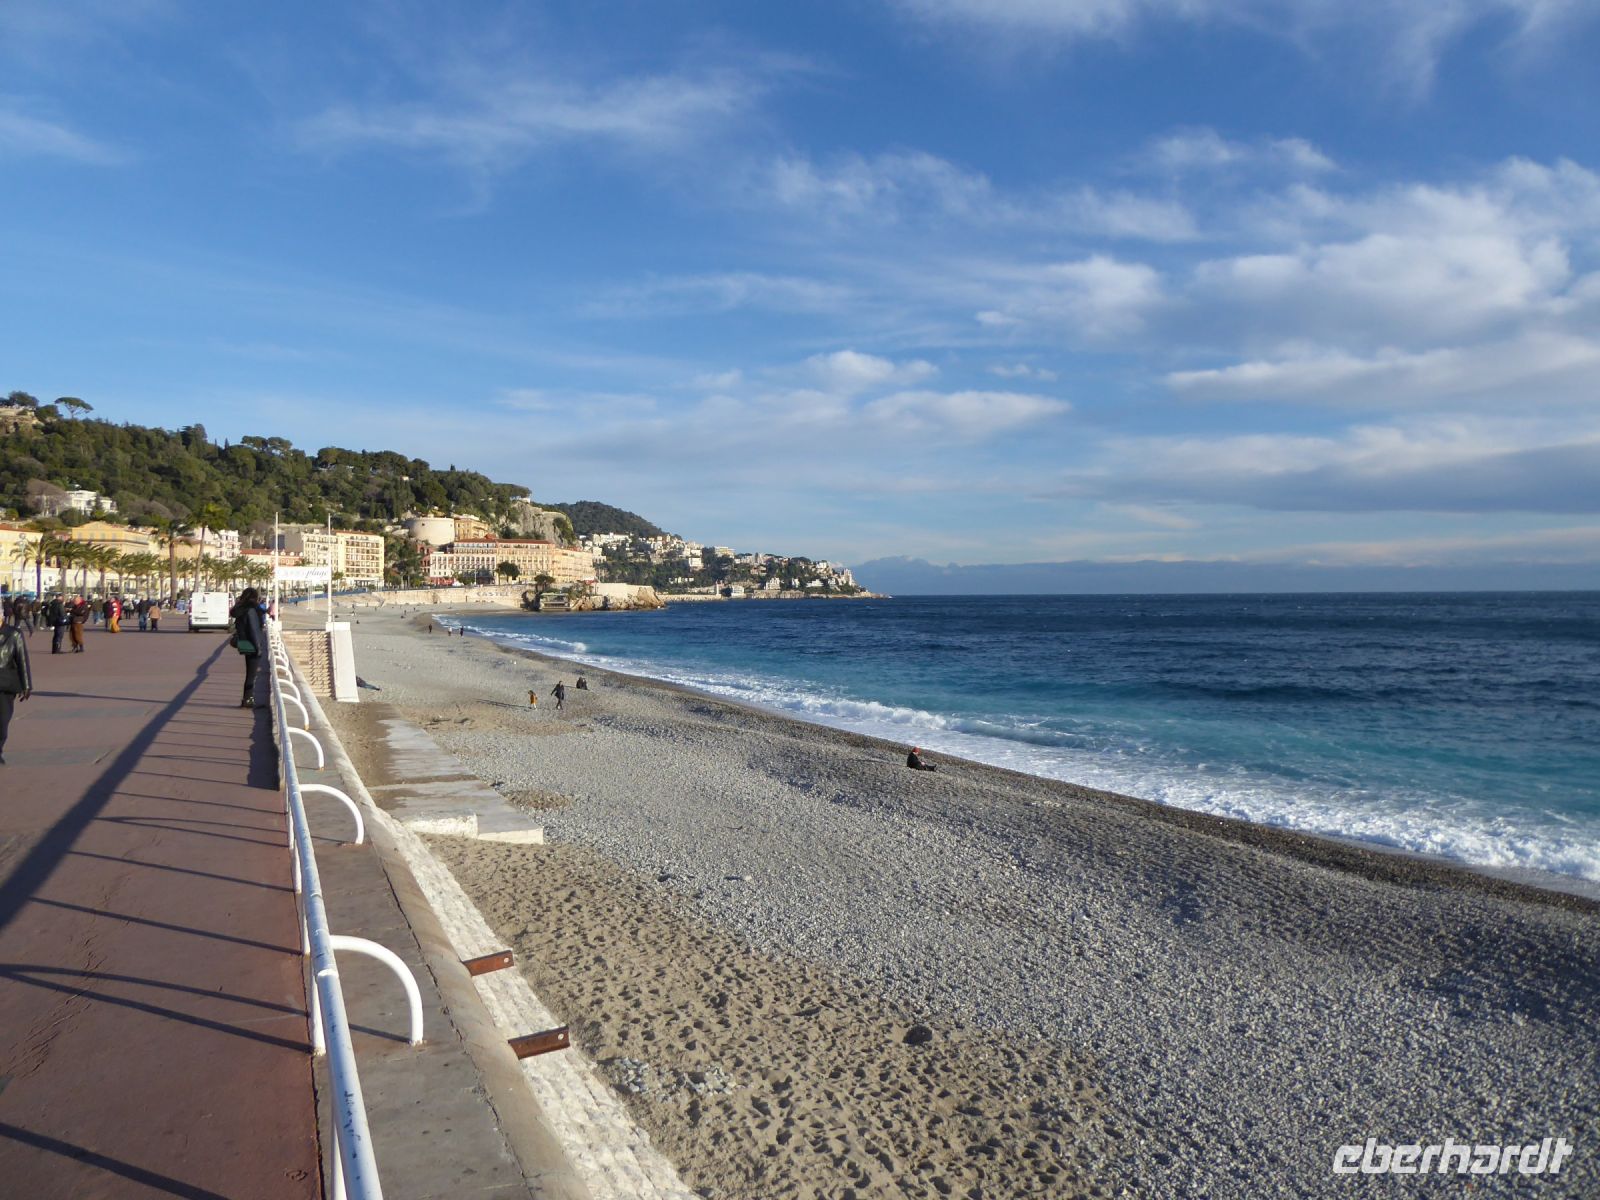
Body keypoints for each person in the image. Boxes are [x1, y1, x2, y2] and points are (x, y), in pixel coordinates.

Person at [0, 600, 34, 764]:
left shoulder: (13, 634)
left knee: (2, 722)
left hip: (5, 685)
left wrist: (26, 685)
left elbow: (22, 659)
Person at [231, 587, 268, 708]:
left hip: (246, 644)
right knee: (252, 674)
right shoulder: (252, 610)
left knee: (250, 673)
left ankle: (247, 699)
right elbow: (253, 630)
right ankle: (248, 700)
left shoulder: (241, 609)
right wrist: (258, 648)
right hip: (252, 645)